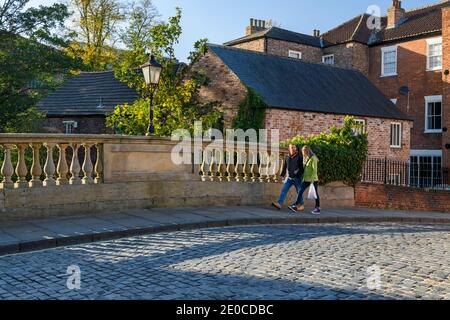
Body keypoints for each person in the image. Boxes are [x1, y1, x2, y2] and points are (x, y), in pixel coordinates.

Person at [289, 146, 321, 215]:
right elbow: (304, 167)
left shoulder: (313, 158)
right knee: (300, 191)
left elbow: (314, 170)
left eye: (304, 152)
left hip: (313, 179)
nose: (303, 153)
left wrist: (312, 179)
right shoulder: (306, 158)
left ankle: (317, 208)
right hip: (306, 179)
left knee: (315, 193)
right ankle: (296, 205)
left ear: (307, 151)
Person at [272, 144, 304, 210]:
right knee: (284, 190)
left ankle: (301, 205)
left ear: (296, 148)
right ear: (289, 149)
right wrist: (282, 175)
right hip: (289, 178)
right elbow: (285, 167)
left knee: (299, 192)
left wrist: (297, 173)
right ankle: (279, 204)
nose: (293, 148)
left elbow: (302, 168)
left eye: (294, 147)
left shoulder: (300, 157)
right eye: (291, 147)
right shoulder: (287, 157)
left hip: (297, 178)